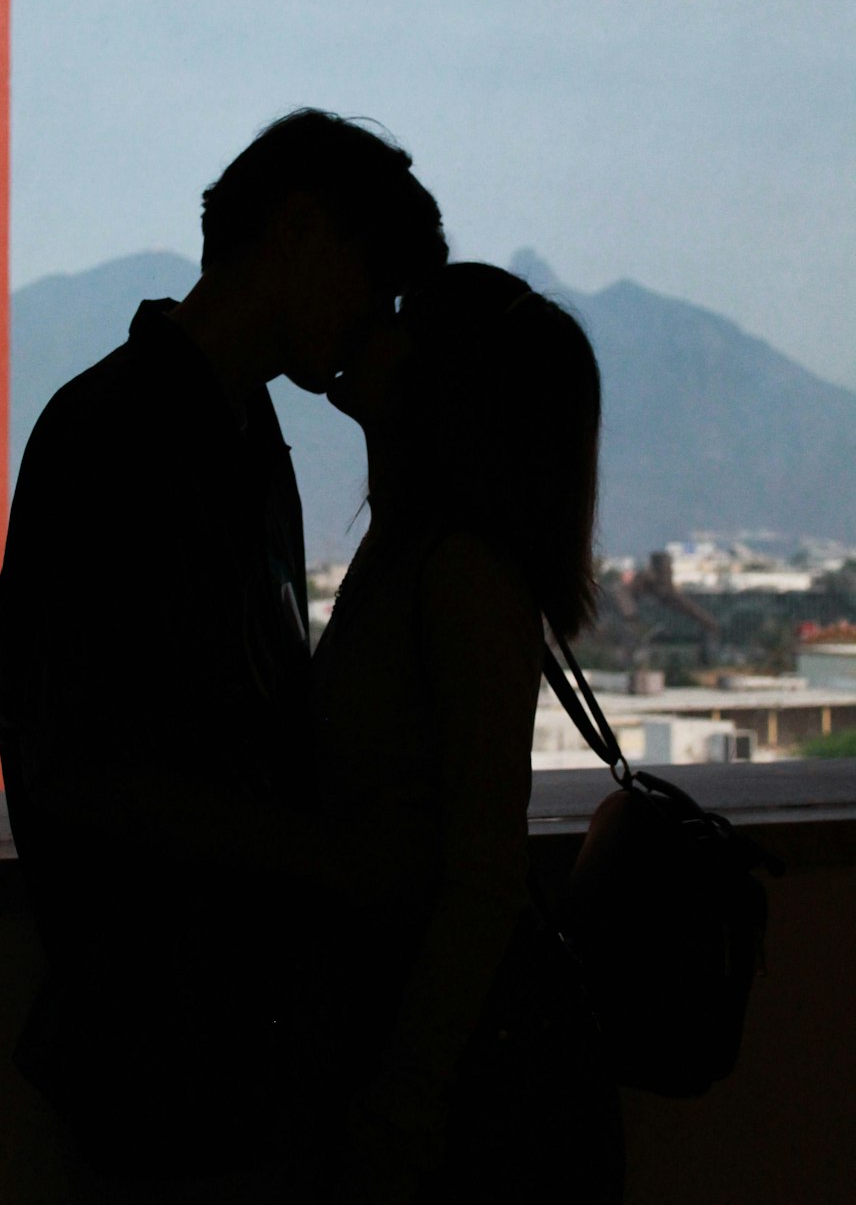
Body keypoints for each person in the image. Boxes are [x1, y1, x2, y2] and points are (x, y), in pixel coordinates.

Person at [0, 109, 447, 1195]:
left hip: (215, 1033)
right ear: (295, 232)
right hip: (169, 1039)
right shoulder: (118, 434)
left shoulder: (232, 433)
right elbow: (80, 764)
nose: (373, 319)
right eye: (373, 281)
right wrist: (328, 859)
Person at [292, 262, 624, 1204]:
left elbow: (481, 873)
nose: (368, 319)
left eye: (401, 317)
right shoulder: (422, 554)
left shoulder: (457, 572)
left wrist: (403, 1097)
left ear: (445, 378)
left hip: (460, 1080)